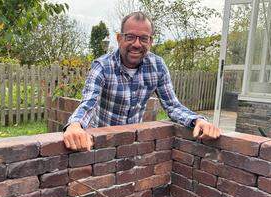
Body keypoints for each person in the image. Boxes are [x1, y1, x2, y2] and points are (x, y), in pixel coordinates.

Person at [63, 11, 221, 151]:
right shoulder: (102, 66)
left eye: (143, 39)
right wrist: (75, 125)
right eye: (130, 37)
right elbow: (89, 103)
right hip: (101, 143)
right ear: (119, 38)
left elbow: (172, 106)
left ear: (151, 42)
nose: (137, 44)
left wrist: (198, 120)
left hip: (132, 143)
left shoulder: (157, 66)